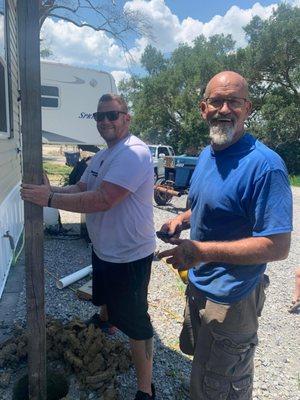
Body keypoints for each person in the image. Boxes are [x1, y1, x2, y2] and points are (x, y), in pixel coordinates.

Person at [158, 71, 292, 400]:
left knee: (222, 384)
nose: (224, 109)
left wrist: (201, 251)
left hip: (232, 297)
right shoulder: (207, 155)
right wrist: (182, 221)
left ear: (248, 108)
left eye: (234, 101)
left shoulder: (265, 166)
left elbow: (278, 246)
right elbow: (209, 205)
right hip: (199, 284)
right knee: (201, 361)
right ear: (203, 108)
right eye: (216, 101)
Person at [21, 93, 156, 400]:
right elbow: (83, 187)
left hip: (130, 254)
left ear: (126, 118)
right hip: (104, 248)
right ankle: (106, 321)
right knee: (105, 296)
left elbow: (103, 200)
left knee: (136, 320)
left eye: (112, 115)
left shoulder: (134, 153)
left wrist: (50, 200)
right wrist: (50, 189)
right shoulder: (102, 155)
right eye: (100, 116)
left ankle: (145, 388)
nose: (105, 121)